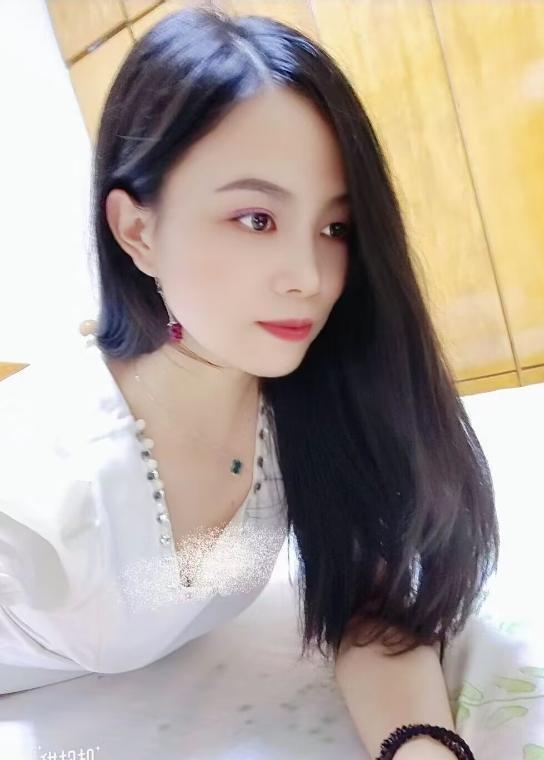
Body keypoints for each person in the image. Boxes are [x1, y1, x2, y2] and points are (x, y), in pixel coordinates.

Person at [0, 6, 498, 757]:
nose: (309, 277)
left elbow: (370, 605)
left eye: (335, 227)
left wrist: (419, 747)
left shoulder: (301, 402)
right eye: (256, 219)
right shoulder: (40, 474)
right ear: (137, 230)